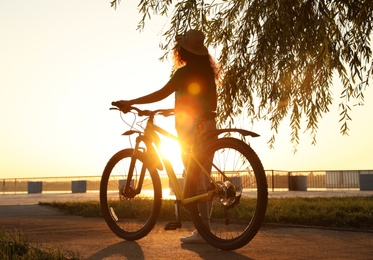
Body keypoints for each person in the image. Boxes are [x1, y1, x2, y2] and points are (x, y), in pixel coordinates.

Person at [113, 29, 220, 243]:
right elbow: (207, 103)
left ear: (183, 52)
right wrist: (173, 110)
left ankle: (202, 232)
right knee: (201, 178)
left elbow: (160, 93)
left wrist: (131, 102)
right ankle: (204, 231)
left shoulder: (183, 73)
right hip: (209, 125)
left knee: (194, 179)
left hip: (191, 130)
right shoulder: (207, 73)